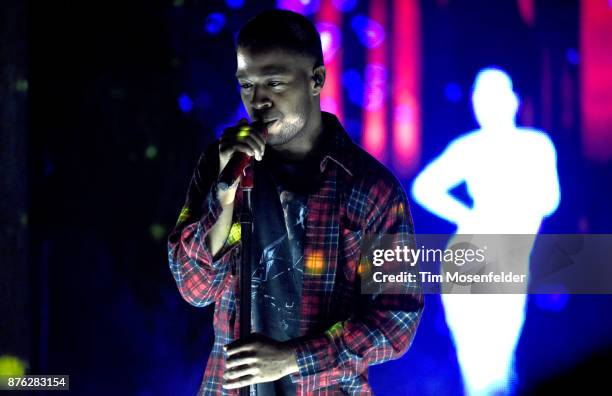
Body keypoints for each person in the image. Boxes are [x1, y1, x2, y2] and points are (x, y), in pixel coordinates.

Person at [168, 10, 423, 395]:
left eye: (274, 83)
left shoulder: (373, 189)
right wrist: (223, 195)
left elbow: (395, 319)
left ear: (316, 79)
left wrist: (292, 359)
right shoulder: (220, 162)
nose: (258, 101)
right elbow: (196, 289)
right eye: (247, 85)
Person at [411, 68, 560, 395]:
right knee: (480, 361)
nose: (485, 104)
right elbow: (424, 186)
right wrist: (470, 217)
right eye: (479, 97)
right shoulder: (470, 146)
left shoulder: (536, 145)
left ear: (513, 101)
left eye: (493, 96)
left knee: (499, 359)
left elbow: (548, 201)